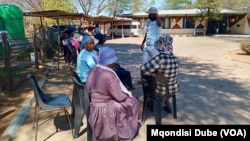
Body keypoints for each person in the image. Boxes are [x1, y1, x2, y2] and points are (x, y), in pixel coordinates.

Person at [86, 47, 140, 141]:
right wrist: (128, 95)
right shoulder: (109, 75)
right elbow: (119, 97)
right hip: (106, 108)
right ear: (110, 61)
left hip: (95, 107)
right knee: (133, 102)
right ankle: (125, 132)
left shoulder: (93, 70)